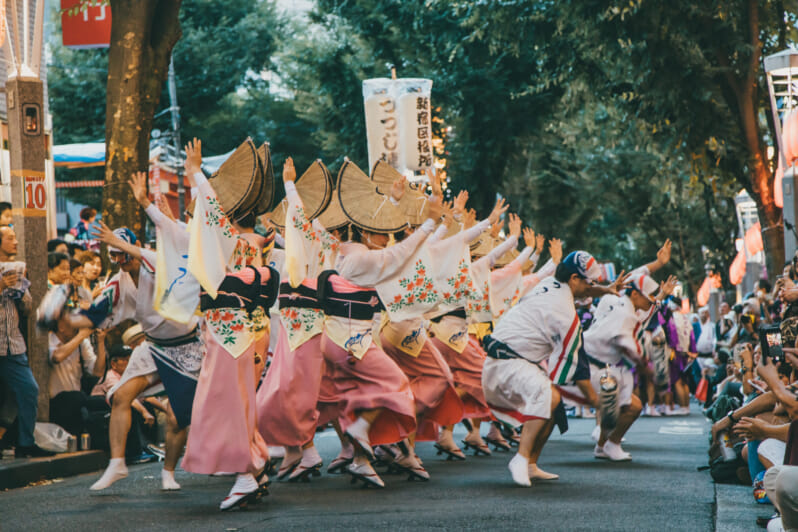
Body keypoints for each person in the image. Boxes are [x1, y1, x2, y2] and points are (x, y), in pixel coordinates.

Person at [70, 221, 202, 492]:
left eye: (123, 252)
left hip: (186, 346)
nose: (120, 261)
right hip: (153, 346)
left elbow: (148, 256)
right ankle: (117, 463)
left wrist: (118, 241)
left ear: (134, 248)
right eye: (114, 255)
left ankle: (169, 472)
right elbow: (96, 314)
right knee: (121, 396)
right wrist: (66, 318)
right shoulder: (117, 281)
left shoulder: (159, 262)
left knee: (178, 418)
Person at [482, 251, 623, 486]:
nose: (592, 288)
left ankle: (531, 464)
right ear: (575, 280)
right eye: (591, 283)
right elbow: (576, 371)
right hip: (507, 366)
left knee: (554, 406)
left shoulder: (550, 283)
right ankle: (520, 457)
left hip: (503, 363)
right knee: (550, 395)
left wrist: (606, 289)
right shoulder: (567, 316)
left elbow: (583, 289)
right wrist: (599, 405)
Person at [0, 226, 51, 457]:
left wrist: (19, 293)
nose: (15, 242)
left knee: (29, 390)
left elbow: (28, 309)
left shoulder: (17, 269)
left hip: (14, 345)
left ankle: (25, 443)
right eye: (10, 238)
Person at [46, 316, 105, 437]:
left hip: (77, 401)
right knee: (74, 397)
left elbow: (98, 372)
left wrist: (101, 342)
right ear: (61, 327)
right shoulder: (48, 340)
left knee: (107, 402)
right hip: (55, 403)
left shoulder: (81, 343)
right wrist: (82, 335)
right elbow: (57, 357)